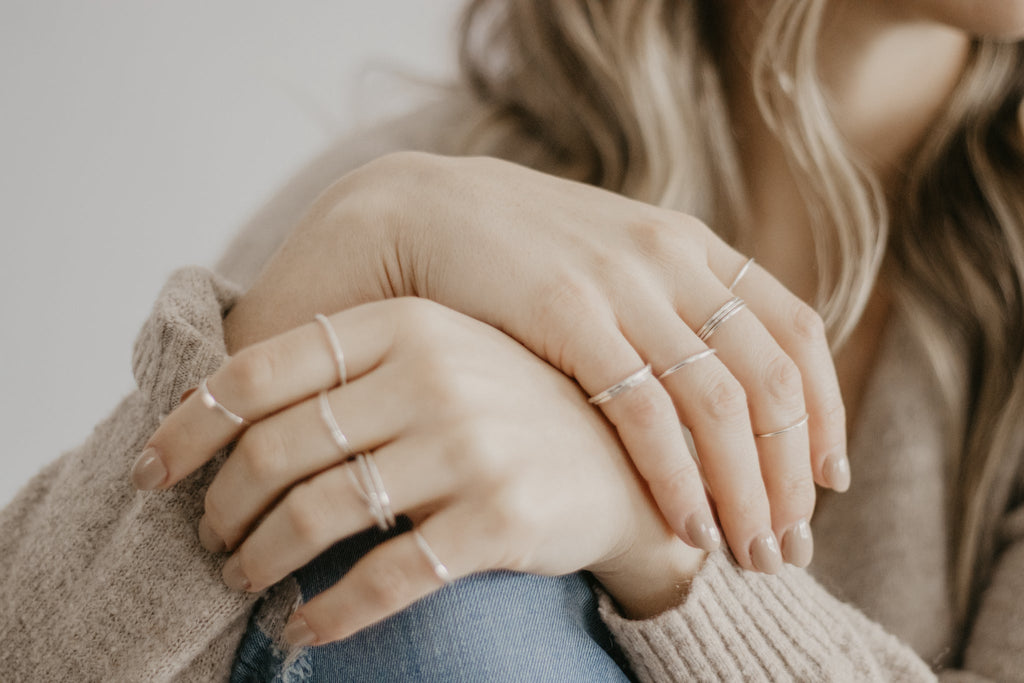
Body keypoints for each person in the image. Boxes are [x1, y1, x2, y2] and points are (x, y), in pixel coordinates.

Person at [3, 0, 1024, 680]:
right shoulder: (427, 199)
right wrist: (354, 241)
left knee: (445, 567)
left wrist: (655, 543)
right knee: (390, 480)